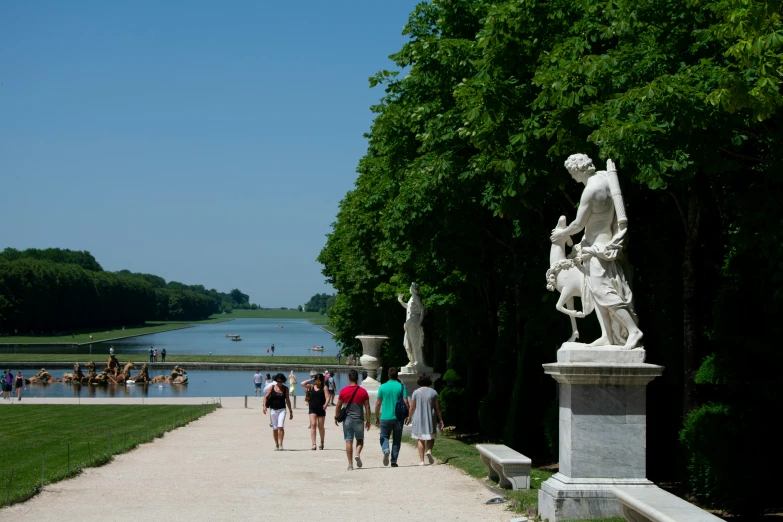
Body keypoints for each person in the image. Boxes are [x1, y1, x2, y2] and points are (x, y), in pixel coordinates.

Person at [551, 154, 643, 349]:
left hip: (597, 248)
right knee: (595, 292)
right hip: (600, 242)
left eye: (571, 172)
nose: (572, 177)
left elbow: (577, 224)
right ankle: (607, 336)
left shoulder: (590, 190)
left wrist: (561, 233)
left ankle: (633, 330)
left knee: (603, 291)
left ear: (578, 169)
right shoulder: (604, 177)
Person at [334, 369, 371, 471]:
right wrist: (368, 421)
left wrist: (336, 417)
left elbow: (338, 405)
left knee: (348, 441)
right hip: (359, 419)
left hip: (347, 420)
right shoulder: (363, 391)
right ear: (357, 378)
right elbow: (367, 407)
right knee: (360, 440)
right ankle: (357, 453)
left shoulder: (344, 391)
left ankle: (350, 465)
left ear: (348, 378)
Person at [406, 374, 444, 465]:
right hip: (431, 417)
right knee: (431, 436)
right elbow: (438, 408)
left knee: (420, 439)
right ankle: (429, 451)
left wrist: (409, 417)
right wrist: (441, 420)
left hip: (419, 418)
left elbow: (412, 407)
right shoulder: (434, 392)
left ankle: (422, 461)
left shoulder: (416, 392)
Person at [375, 367, 408, 467]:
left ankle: (385, 449)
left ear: (388, 375)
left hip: (385, 417)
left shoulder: (382, 387)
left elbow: (378, 403)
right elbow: (406, 402)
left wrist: (376, 416)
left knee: (384, 436)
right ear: (397, 376)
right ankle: (394, 461)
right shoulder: (401, 387)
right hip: (398, 418)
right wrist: (409, 416)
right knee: (397, 439)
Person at [263, 373, 293, 450]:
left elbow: (288, 400)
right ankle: (276, 444)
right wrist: (264, 406)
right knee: (275, 428)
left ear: (283, 381)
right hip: (273, 410)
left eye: (281, 381)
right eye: (278, 381)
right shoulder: (272, 387)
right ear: (276, 381)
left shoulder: (285, 389)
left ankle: (281, 444)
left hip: (282, 410)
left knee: (280, 426)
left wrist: (291, 411)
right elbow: (265, 397)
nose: (280, 383)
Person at [301, 373, 330, 450]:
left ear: (321, 380)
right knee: (313, 424)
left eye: (319, 381)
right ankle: (313, 444)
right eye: (316, 381)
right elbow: (302, 383)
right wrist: (311, 380)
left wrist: (326, 404)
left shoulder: (324, 387)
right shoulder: (311, 386)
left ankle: (322, 442)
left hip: (321, 408)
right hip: (312, 408)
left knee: (321, 427)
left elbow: (327, 397)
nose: (317, 383)